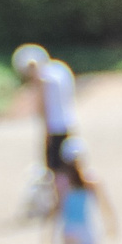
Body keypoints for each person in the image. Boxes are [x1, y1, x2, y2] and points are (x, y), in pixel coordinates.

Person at [53, 135, 120, 244]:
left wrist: (50, 231)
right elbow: (105, 205)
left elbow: (58, 207)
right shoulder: (91, 179)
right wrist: (111, 224)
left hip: (71, 230)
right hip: (88, 229)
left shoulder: (62, 181)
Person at [13, 43, 78, 172]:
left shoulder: (42, 80)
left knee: (55, 166)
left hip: (54, 126)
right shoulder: (58, 70)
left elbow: (44, 107)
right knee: (69, 163)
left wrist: (45, 131)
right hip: (67, 121)